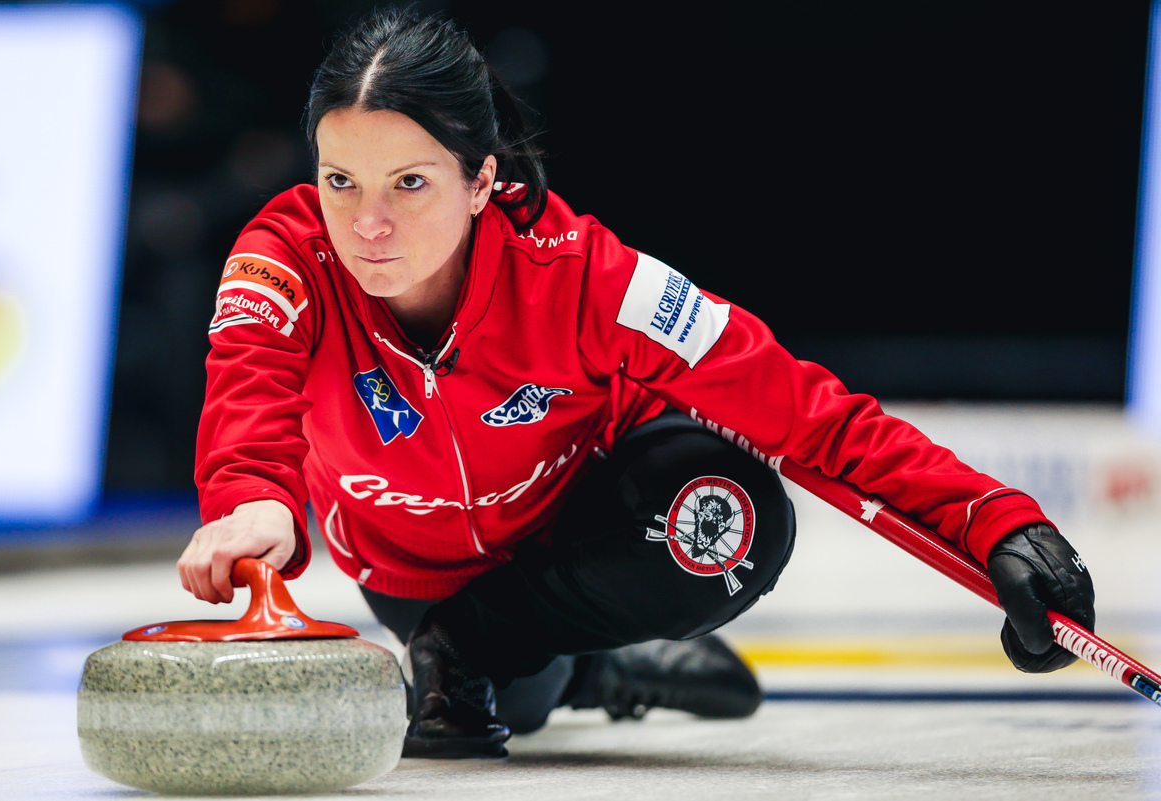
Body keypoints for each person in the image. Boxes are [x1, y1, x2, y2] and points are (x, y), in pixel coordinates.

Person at [178, 9, 1096, 759]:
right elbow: (247, 397)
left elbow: (804, 414)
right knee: (515, 705)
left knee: (731, 515)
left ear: (481, 180)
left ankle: (502, 642)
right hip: (414, 569)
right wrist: (253, 501)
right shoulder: (280, 258)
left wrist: (997, 520)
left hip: (591, 531)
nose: (367, 225)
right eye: (341, 181)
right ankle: (598, 672)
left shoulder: (586, 276)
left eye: (409, 183)